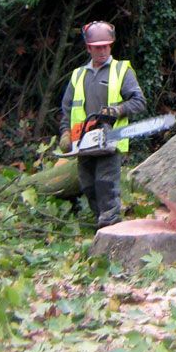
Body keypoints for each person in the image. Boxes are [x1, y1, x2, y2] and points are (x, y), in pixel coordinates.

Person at [58, 20, 146, 227]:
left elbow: (139, 101)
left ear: (111, 45)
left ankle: (111, 222)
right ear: (89, 48)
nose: (102, 51)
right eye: (97, 47)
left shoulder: (121, 70)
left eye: (105, 46)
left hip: (110, 138)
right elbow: (67, 109)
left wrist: (118, 110)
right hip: (83, 140)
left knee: (105, 183)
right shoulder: (78, 75)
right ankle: (101, 221)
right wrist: (65, 133)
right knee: (88, 184)